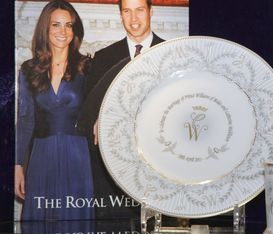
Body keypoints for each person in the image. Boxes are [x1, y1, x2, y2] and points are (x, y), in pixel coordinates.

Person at [76, 0, 164, 218]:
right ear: (121, 15)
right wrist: (100, 116)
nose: (133, 19)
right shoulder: (103, 58)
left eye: (139, 10)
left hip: (160, 164)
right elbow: (88, 112)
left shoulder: (171, 52)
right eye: (127, 11)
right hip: (115, 173)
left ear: (151, 12)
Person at [15, 0, 94, 220]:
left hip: (79, 157)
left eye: (68, 25)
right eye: (56, 25)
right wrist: (18, 164)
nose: (63, 31)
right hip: (42, 157)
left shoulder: (87, 67)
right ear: (45, 29)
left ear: (74, 30)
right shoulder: (29, 69)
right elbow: (25, 120)